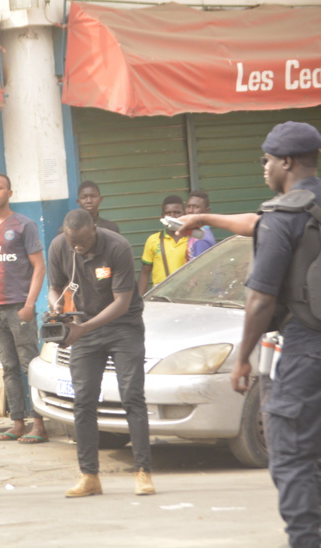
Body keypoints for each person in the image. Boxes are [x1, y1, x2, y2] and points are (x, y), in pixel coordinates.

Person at [230, 121, 321, 548]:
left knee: (292, 454)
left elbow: (260, 301)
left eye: (267, 160)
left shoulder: (282, 218)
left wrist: (242, 357)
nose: (263, 168)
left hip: (307, 349)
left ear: (286, 162)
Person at [49, 209, 154, 497]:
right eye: (73, 243)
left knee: (132, 396)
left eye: (82, 242)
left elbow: (122, 303)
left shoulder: (117, 246)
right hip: (85, 327)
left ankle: (143, 472)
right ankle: (89, 476)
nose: (77, 248)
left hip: (124, 327)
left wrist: (84, 329)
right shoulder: (60, 246)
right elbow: (54, 287)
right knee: (82, 401)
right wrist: (58, 307)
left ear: (94, 229)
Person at [0, 174, 48, 444]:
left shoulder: (23, 225)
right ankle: (17, 422)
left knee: (29, 365)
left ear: (10, 193)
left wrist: (30, 304)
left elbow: (39, 267)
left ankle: (38, 424)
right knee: (8, 367)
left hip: (19, 308)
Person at [137, 195, 188, 295]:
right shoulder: (153, 240)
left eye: (177, 212)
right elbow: (145, 272)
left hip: (187, 298)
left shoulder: (193, 240)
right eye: (168, 213)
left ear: (184, 214)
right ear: (162, 217)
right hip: (161, 299)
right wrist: (138, 302)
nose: (173, 216)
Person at [184, 190, 216, 260]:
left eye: (196, 207)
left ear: (207, 211)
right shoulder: (196, 233)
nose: (190, 211)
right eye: (188, 206)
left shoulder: (201, 239)